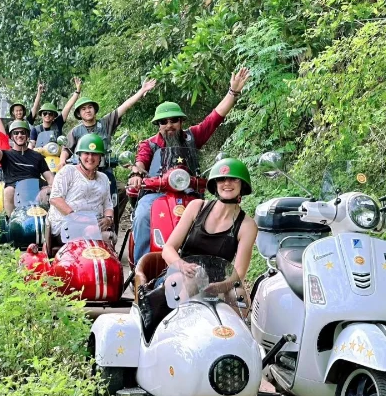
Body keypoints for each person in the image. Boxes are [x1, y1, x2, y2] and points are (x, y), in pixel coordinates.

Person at [130, 68, 250, 264]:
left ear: (181, 121)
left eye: (174, 120)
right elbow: (140, 161)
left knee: (212, 218)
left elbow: (215, 118)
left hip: (190, 194)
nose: (169, 125)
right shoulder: (149, 144)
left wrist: (233, 92)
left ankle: (211, 264)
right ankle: (142, 268)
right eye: (164, 121)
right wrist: (136, 173)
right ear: (158, 124)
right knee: (143, 214)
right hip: (156, 193)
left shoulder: (192, 136)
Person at [143, 158, 258, 301]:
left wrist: (220, 287)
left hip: (217, 282)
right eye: (221, 179)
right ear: (215, 185)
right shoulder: (196, 207)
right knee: (191, 281)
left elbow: (239, 272)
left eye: (234, 179)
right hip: (181, 274)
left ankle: (230, 324)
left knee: (239, 295)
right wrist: (182, 265)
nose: (227, 183)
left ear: (242, 184)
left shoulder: (247, 225)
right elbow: (168, 248)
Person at [58, 77, 157, 168]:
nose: (87, 111)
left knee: (114, 185)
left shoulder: (106, 122)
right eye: (83, 109)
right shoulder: (75, 131)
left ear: (94, 109)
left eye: (90, 107)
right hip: (82, 171)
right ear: (79, 114)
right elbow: (66, 149)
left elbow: (125, 106)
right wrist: (62, 161)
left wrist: (142, 90)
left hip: (104, 168)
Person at [0, 120, 54, 215]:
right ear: (11, 136)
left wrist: (52, 187)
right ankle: (11, 220)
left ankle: (49, 223)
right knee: (8, 191)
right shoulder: (6, 154)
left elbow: (49, 177)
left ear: (27, 135)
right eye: (16, 133)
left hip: (36, 190)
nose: (19, 135)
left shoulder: (37, 156)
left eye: (23, 132)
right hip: (15, 192)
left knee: (49, 191)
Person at [48, 134, 115, 244]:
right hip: (67, 224)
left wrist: (108, 219)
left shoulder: (103, 178)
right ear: (79, 155)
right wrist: (77, 218)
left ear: (100, 157)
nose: (90, 158)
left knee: (110, 237)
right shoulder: (68, 171)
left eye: (94, 154)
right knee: (101, 237)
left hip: (94, 226)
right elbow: (55, 198)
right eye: (86, 153)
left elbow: (108, 205)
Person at [28, 78, 82, 147]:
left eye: (50, 114)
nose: (47, 115)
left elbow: (68, 107)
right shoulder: (35, 130)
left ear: (54, 116)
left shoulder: (58, 123)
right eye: (45, 113)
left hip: (57, 155)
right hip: (40, 155)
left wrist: (77, 91)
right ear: (41, 115)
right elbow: (31, 144)